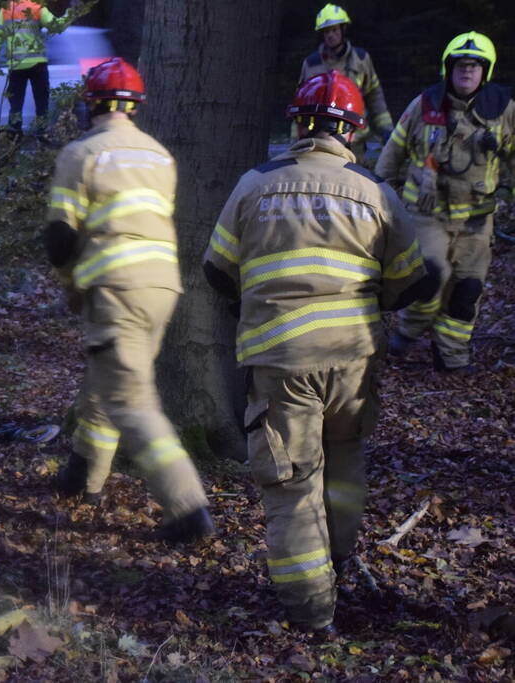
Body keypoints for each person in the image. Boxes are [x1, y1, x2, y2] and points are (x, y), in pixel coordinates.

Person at [203, 71, 437, 636]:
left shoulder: (254, 184)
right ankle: (339, 566)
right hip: (354, 360)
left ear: (297, 125)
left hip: (281, 363)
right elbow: (412, 279)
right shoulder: (375, 191)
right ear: (351, 132)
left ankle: (310, 612)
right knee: (345, 464)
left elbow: (217, 269)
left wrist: (256, 305)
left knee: (291, 483)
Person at [45, 57, 214, 545]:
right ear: (134, 107)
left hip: (115, 288)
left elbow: (59, 237)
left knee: (132, 400)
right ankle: (82, 477)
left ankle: (188, 509)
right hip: (162, 289)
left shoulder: (83, 153)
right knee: (111, 382)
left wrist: (70, 284)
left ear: (91, 105)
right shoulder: (160, 155)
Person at [376, 31, 515, 372]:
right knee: (430, 278)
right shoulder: (424, 105)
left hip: (477, 222)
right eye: (460, 65)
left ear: (486, 70)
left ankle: (451, 356)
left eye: (474, 65)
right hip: (427, 216)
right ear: (447, 68)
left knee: (468, 289)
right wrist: (380, 200)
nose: (467, 71)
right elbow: (391, 155)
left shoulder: (504, 110)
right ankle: (407, 332)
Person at [298, 4, 393, 164]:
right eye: (326, 31)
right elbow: (300, 106)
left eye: (334, 30)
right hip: (320, 142)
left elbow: (375, 97)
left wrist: (387, 131)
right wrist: (297, 141)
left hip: (355, 141)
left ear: (343, 30)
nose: (330, 35)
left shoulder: (361, 59)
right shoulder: (311, 64)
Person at [0, 1, 79, 135]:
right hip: (38, 64)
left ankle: (14, 134)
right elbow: (57, 27)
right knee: (41, 103)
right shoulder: (37, 8)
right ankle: (41, 134)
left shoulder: (6, 9)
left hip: (16, 66)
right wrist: (71, 13)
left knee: (15, 105)